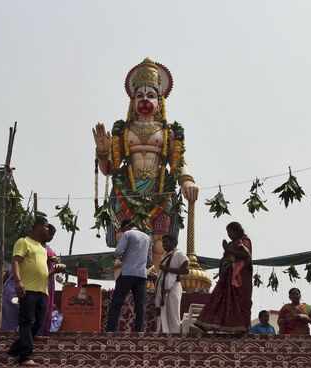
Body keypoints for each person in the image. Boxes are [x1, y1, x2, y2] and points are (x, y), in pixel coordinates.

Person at [92, 57, 199, 271]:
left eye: (151, 95)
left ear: (160, 101)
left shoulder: (168, 132)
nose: (145, 100)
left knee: (160, 243)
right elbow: (108, 170)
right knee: (125, 241)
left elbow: (178, 163)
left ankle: (155, 286)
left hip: (159, 191)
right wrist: (103, 152)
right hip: (127, 191)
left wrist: (187, 181)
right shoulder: (123, 131)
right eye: (139, 95)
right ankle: (124, 289)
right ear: (133, 101)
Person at [8, 217, 66, 366]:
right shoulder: (23, 242)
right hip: (28, 288)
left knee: (38, 322)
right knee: (27, 321)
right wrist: (18, 281)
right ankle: (25, 357)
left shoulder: (42, 248)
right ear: (39, 226)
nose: (48, 230)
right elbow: (15, 261)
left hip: (42, 290)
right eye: (46, 227)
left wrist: (55, 270)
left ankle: (16, 349)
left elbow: (45, 272)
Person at [194, 222, 253, 333]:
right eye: (227, 232)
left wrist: (229, 250)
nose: (229, 234)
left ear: (237, 231)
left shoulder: (245, 241)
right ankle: (216, 325)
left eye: (230, 232)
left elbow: (245, 255)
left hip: (240, 279)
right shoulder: (231, 244)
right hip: (227, 277)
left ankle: (243, 328)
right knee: (221, 299)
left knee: (240, 302)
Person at [106, 220, 153, 332]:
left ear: (125, 227)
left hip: (127, 272)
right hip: (141, 275)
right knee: (140, 305)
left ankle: (111, 330)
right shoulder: (147, 238)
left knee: (117, 303)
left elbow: (118, 252)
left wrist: (120, 256)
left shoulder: (128, 234)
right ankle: (139, 331)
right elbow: (149, 260)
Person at [154, 234, 189, 333]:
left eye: (166, 242)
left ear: (174, 243)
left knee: (173, 313)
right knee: (164, 313)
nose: (163, 244)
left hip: (174, 287)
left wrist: (167, 269)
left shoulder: (179, 253)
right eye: (163, 242)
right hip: (164, 289)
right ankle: (166, 335)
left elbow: (186, 270)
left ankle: (175, 336)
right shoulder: (165, 256)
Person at [40, 224, 58, 335]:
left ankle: (45, 329)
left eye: (53, 235)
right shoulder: (38, 247)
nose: (51, 237)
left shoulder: (49, 248)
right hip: (41, 278)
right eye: (50, 234)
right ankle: (38, 330)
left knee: (48, 304)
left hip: (50, 279)